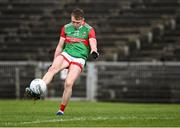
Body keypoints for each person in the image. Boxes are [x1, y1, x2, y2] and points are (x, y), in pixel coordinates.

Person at [25, 8, 99, 116]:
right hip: (66, 54)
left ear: (83, 20)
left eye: (77, 22)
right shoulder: (66, 28)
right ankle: (36, 92)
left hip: (79, 58)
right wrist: (55, 60)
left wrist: (94, 50)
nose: (75, 24)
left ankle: (61, 110)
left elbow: (93, 42)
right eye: (73, 21)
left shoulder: (89, 29)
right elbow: (60, 46)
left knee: (68, 83)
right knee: (52, 69)